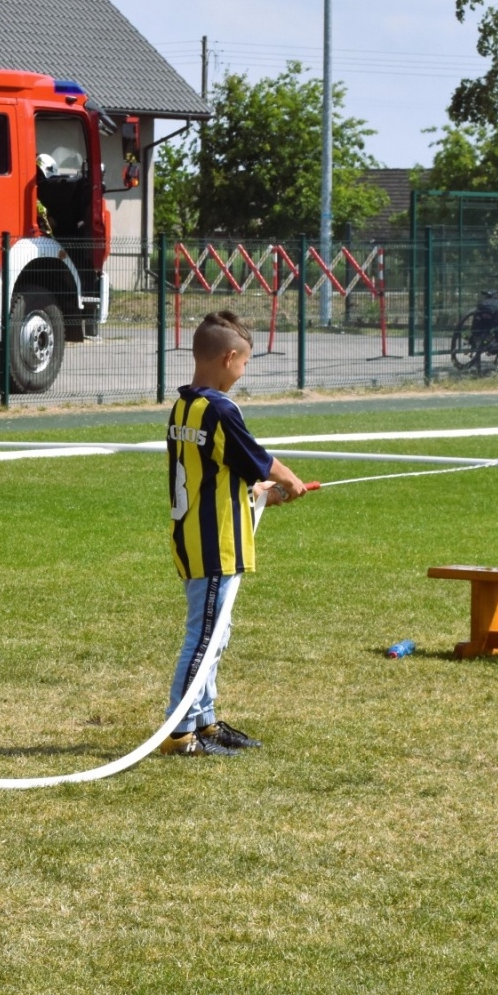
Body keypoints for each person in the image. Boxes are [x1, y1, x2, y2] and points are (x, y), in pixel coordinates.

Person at [161, 311, 307, 756]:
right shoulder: (220, 410)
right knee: (204, 636)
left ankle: (205, 723)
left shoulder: (185, 405)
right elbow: (258, 458)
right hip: (216, 543)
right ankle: (180, 732)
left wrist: (257, 492)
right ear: (228, 358)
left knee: (215, 633)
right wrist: (288, 480)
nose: (243, 372)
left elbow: (220, 470)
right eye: (244, 363)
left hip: (195, 537)